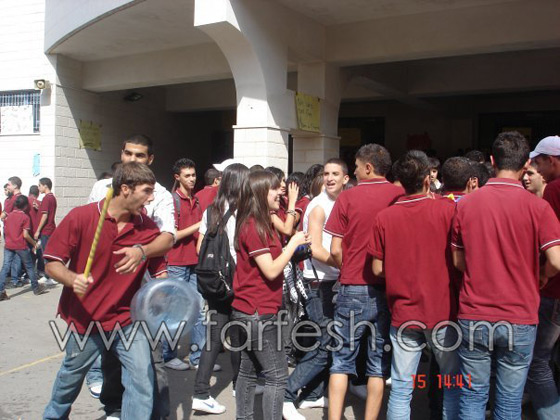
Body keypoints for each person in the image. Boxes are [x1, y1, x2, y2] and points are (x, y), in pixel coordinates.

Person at [42, 162, 168, 419]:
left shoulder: (147, 228)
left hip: (128, 321)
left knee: (142, 383)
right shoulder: (82, 216)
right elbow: (52, 263)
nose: (151, 198)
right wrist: (72, 278)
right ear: (125, 189)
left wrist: (163, 292)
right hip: (86, 320)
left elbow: (160, 271)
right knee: (70, 379)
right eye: (146, 191)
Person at [451, 131, 560, 419]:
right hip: (519, 315)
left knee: (472, 398)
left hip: (475, 312)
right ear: (526, 164)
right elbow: (557, 261)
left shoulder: (466, 204)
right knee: (509, 402)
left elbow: (458, 260)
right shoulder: (538, 206)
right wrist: (541, 275)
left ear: (492, 160)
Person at [87, 134, 174, 419]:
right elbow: (91, 228)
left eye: (139, 155)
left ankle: (158, 413)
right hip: (104, 289)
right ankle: (114, 407)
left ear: (150, 159)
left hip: (143, 291)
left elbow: (167, 238)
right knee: (110, 353)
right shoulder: (101, 188)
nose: (132, 159)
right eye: (128, 153)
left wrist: (141, 251)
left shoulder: (160, 194)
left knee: (152, 356)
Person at [370, 150, 459, 419]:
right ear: (427, 180)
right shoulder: (448, 210)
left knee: (401, 386)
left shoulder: (384, 217)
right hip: (442, 311)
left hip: (404, 312)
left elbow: (377, 268)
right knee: (452, 384)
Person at [324, 144, 404, 420]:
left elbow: (335, 249)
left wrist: (346, 268)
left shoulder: (348, 197)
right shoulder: (399, 196)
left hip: (353, 286)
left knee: (341, 361)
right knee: (378, 364)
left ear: (368, 167)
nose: (355, 172)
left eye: (356, 167)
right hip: (388, 287)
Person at [232, 170, 310, 420]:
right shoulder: (254, 226)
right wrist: (293, 244)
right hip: (257, 311)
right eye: (275, 188)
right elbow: (271, 269)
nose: (280, 192)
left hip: (251, 309)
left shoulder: (260, 220)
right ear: (259, 193)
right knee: (277, 376)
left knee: (248, 371)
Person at [283, 158, 349, 420]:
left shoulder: (339, 202)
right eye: (326, 173)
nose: (330, 178)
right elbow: (315, 248)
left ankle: (312, 395)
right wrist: (346, 264)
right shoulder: (320, 206)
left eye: (335, 174)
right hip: (318, 283)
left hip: (330, 281)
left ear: (345, 179)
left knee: (327, 343)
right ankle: (286, 394)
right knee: (325, 344)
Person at [192, 163, 250, 414]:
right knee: (238, 336)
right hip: (236, 280)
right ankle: (239, 384)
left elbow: (200, 248)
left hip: (214, 282)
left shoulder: (211, 210)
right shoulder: (244, 210)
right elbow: (241, 250)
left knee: (214, 337)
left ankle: (200, 392)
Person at [526, 135, 560, 419]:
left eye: (537, 163)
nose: (535, 170)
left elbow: (554, 256)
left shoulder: (554, 191)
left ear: (552, 161)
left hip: (555, 291)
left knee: (538, 361)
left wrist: (543, 275)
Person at [163, 158, 206, 371]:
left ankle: (198, 357)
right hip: (176, 264)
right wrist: (200, 224)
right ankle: (168, 355)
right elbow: (173, 235)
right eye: (187, 175)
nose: (192, 179)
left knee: (198, 309)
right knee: (174, 311)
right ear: (177, 177)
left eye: (193, 175)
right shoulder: (172, 201)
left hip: (195, 262)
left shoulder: (195, 200)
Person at [0, 195, 47, 300]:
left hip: (9, 245)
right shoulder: (25, 217)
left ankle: (1, 291)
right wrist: (34, 243)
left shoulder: (9, 216)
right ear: (25, 206)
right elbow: (25, 235)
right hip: (20, 246)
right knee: (29, 267)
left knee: (5, 267)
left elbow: (5, 225)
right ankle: (36, 288)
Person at [35, 177, 57, 286]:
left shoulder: (46, 198)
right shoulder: (52, 197)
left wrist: (38, 230)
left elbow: (45, 215)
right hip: (51, 229)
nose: (38, 188)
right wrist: (39, 207)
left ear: (45, 186)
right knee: (49, 253)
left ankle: (49, 277)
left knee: (46, 254)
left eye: (39, 185)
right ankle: (50, 276)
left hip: (46, 230)